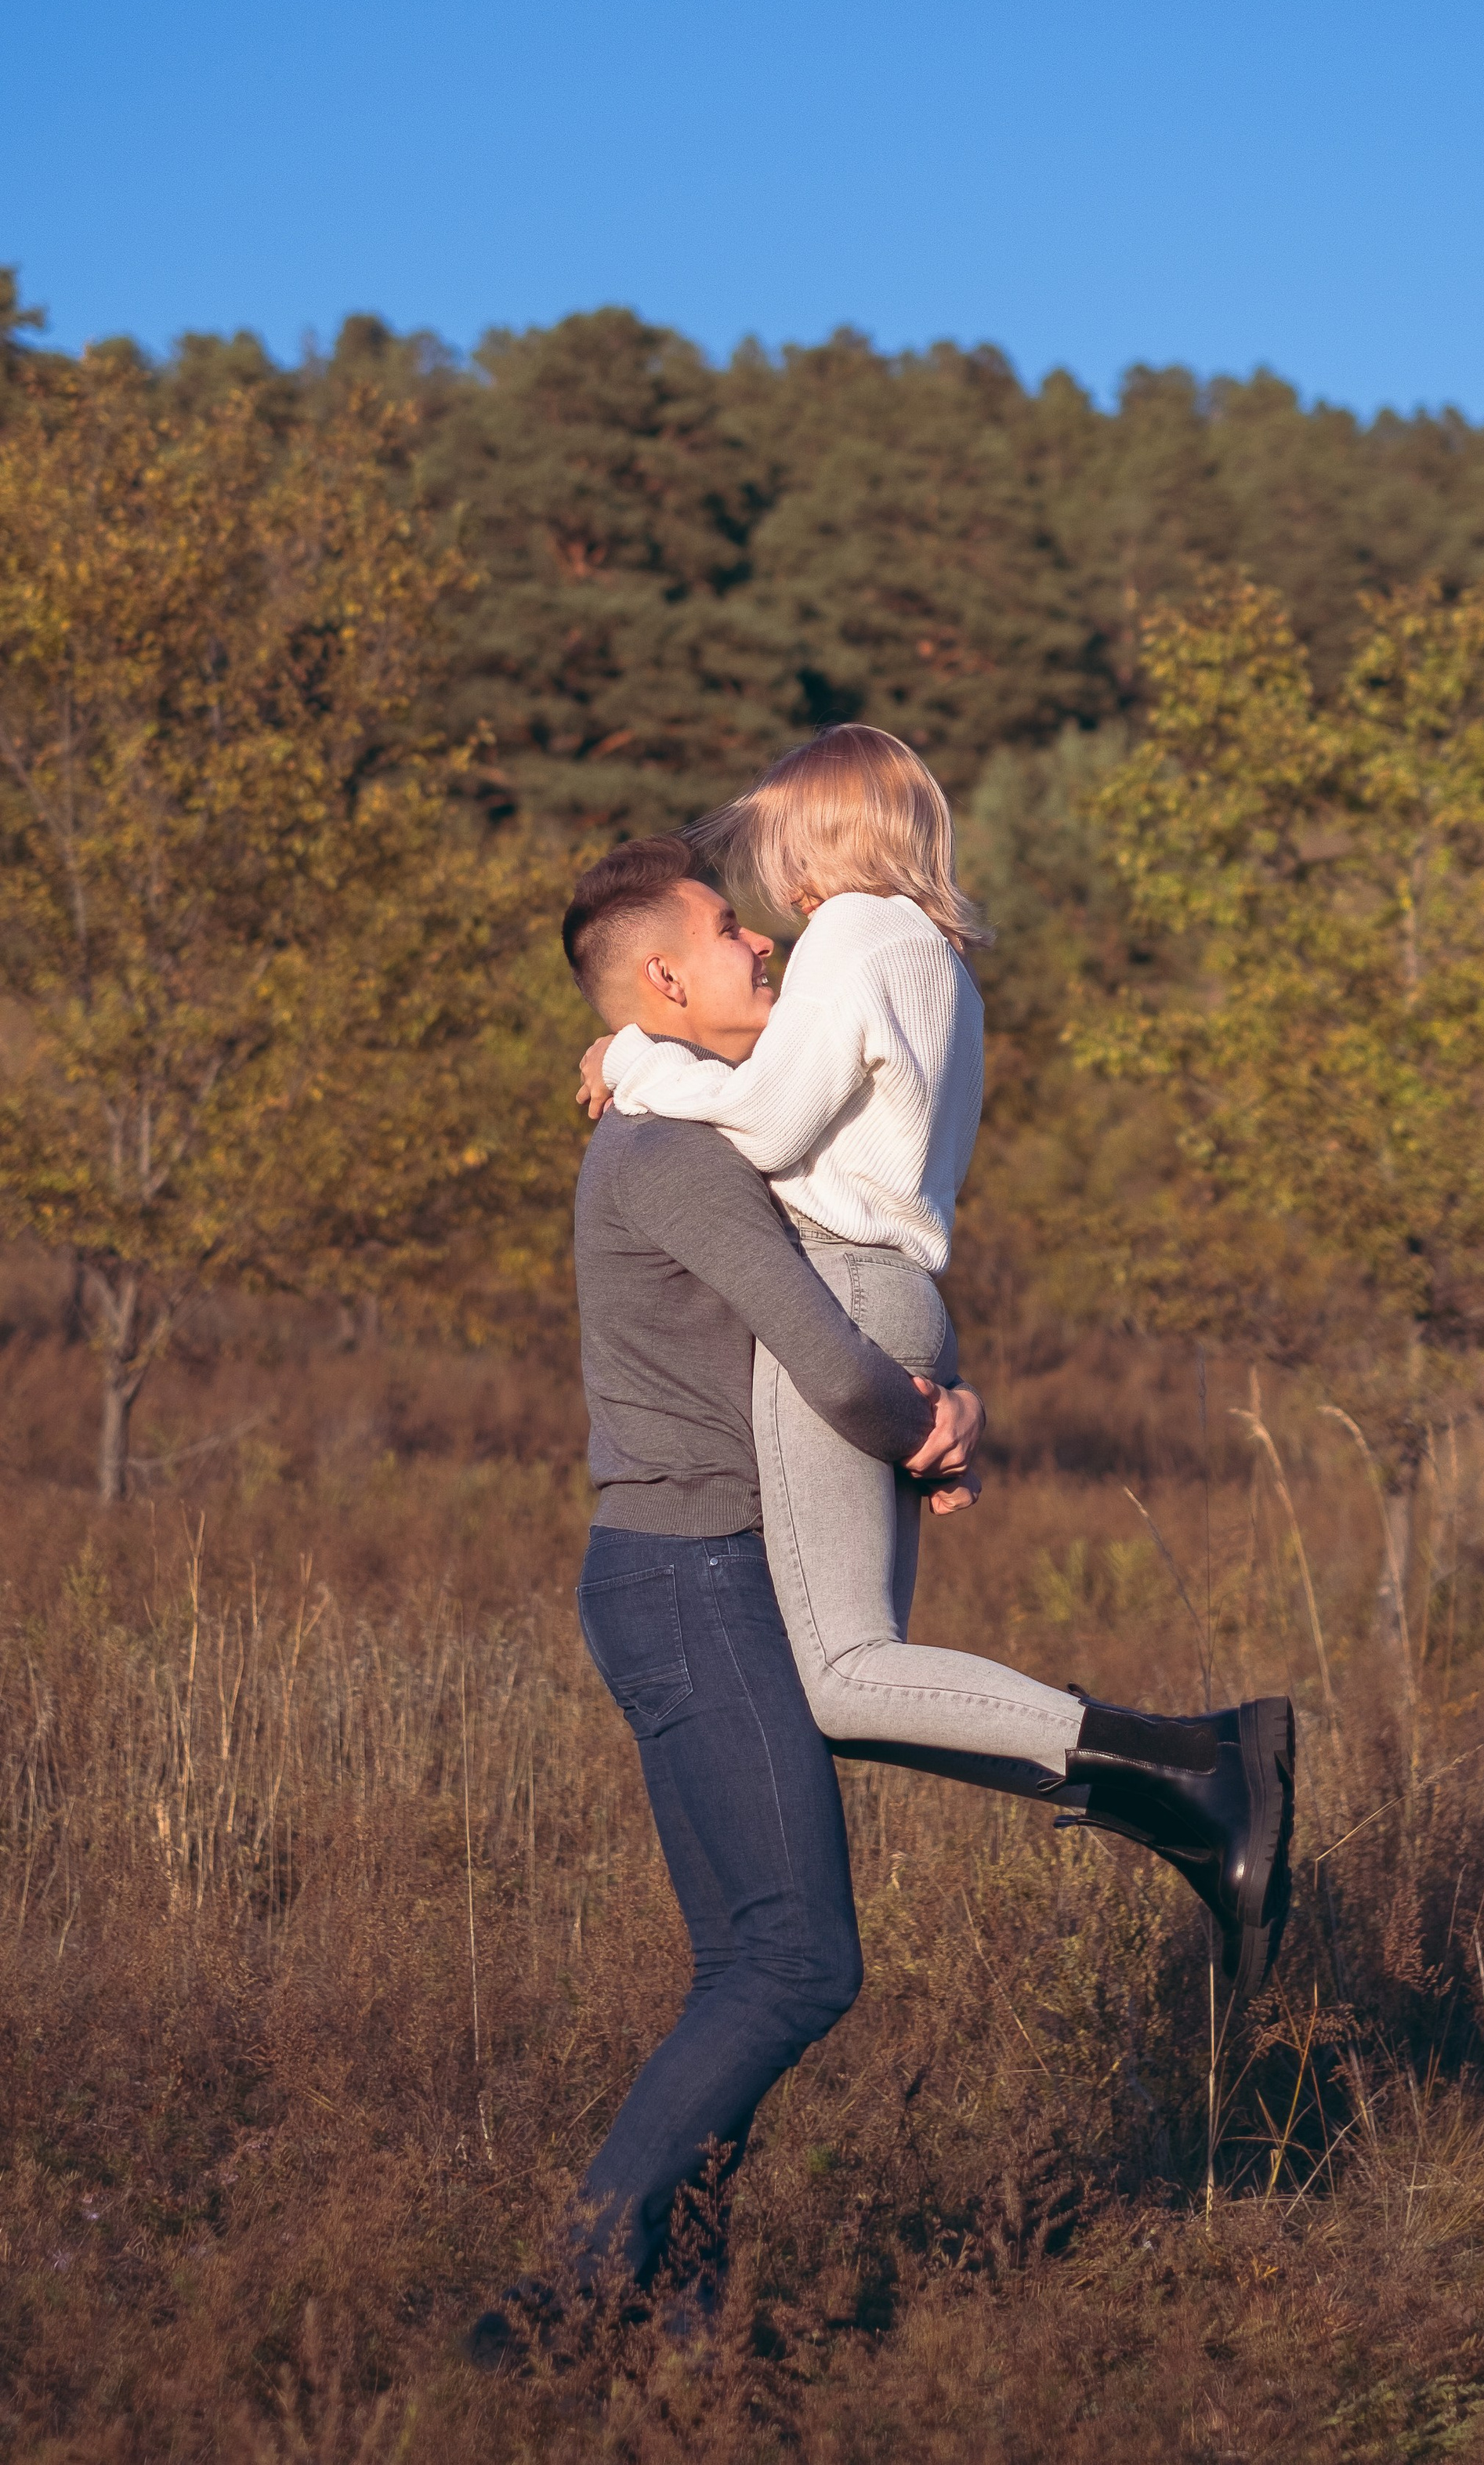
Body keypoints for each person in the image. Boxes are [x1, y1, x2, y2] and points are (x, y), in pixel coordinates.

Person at [468, 831, 1290, 2364]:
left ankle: (678, 2328)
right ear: (661, 978)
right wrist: (932, 1419)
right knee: (794, 1962)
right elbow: (828, 1353)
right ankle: (566, 2301)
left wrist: (934, 1398)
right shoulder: (678, 1158)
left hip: (691, 1575)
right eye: (729, 931)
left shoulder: (699, 1131)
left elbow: (859, 1311)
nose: (761, 944)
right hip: (690, 1581)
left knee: (748, 1971)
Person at [574, 733, 1294, 1983]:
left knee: (845, 1679)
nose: (773, 900)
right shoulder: (932, 958)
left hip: (847, 1277)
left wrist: (636, 1057)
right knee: (860, 1673)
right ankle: (1184, 1791)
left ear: (824, 833)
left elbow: (775, 1116)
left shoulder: (856, 931)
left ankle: (1198, 1768)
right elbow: (799, 1086)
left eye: (776, 851)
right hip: (903, 1284)